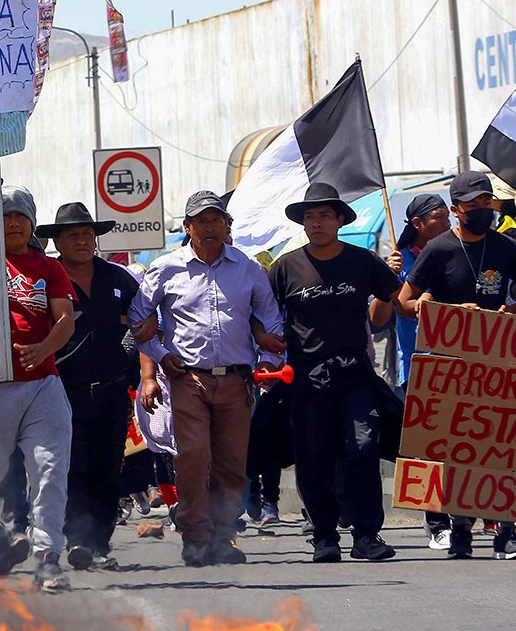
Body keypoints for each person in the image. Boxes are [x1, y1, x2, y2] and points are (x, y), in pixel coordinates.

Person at [400, 170, 516, 561]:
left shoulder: (504, 246)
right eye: (473, 205)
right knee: (459, 451)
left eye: (487, 203)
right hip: (452, 365)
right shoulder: (438, 250)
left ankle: (506, 532)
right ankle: (462, 528)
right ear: (456, 210)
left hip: (500, 361)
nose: (482, 210)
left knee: (502, 446)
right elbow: (405, 303)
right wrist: (453, 312)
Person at [129, 190, 283, 567]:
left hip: (237, 381)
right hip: (188, 380)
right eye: (201, 220)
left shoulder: (249, 269)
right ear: (188, 228)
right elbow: (137, 322)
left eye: (217, 219)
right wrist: (162, 359)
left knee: (232, 463)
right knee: (194, 457)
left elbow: (272, 323)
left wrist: (268, 360)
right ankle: (195, 535)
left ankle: (223, 535)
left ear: (227, 226)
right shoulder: (166, 269)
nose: (210, 226)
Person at [0, 171, 76, 592]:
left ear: (32, 222)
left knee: (50, 471)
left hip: (42, 385)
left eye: (22, 215)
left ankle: (47, 558)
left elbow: (64, 319)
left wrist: (44, 348)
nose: (15, 222)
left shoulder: (49, 267)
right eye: (5, 214)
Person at [268, 183, 403, 563]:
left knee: (363, 448)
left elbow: (395, 304)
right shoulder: (285, 267)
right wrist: (267, 347)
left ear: (340, 220)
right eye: (310, 216)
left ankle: (366, 536)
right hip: (307, 380)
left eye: (325, 215)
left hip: (356, 376)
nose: (316, 222)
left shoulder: (363, 261)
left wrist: (402, 298)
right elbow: (262, 315)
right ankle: (324, 536)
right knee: (313, 454)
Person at [35, 202, 141, 571]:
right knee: (69, 467)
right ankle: (77, 539)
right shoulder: (46, 279)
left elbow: (142, 321)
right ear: (57, 242)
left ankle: (100, 544)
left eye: (87, 234)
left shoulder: (119, 278)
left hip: (112, 390)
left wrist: (129, 354)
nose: (82, 240)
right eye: (72, 235)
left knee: (108, 467)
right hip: (62, 390)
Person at [387, 194, 451, 389]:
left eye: (448, 217)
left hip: (453, 365)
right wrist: (388, 274)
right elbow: (378, 318)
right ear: (417, 223)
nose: (447, 224)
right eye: (439, 217)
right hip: (414, 366)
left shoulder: (455, 253)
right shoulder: (399, 261)